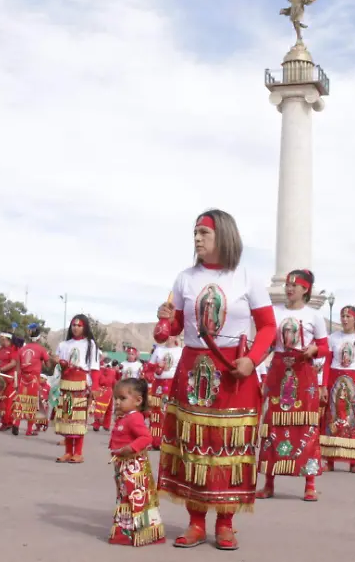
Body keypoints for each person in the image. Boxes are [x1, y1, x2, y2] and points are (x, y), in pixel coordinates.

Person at [152, 209, 276, 551]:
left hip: (233, 374)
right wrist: (163, 323)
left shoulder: (247, 278)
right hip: (193, 372)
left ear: (223, 236)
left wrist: (252, 361)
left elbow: (267, 327)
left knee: (228, 447)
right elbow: (170, 330)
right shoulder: (184, 278)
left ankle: (225, 523)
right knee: (193, 445)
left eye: (203, 233)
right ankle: (194, 522)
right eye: (195, 233)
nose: (197, 239)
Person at [255, 269, 328, 501]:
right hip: (278, 370)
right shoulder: (274, 312)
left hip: (303, 372)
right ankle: (268, 482)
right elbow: (266, 343)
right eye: (287, 284)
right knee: (272, 426)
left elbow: (326, 348)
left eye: (294, 285)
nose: (289, 288)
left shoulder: (314, 316)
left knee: (305, 426)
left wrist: (314, 349)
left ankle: (310, 483)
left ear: (305, 289)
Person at [108, 378, 166, 547]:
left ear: (138, 401)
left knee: (134, 498)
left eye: (122, 398)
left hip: (134, 468)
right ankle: (127, 532)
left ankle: (137, 533)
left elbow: (146, 437)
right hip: (123, 465)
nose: (117, 402)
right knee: (125, 497)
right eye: (116, 398)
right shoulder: (125, 416)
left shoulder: (134, 418)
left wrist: (131, 448)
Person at [319, 306, 355, 473]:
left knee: (353, 418)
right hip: (335, 378)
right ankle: (330, 460)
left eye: (348, 316)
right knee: (332, 418)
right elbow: (327, 363)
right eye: (342, 316)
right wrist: (324, 386)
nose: (344, 319)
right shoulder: (333, 338)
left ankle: (353, 461)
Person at [54, 314, 101, 463]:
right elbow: (57, 367)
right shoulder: (63, 345)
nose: (76, 328)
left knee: (79, 418)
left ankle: (78, 453)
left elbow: (95, 368)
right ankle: (68, 452)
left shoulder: (90, 345)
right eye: (74, 325)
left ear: (85, 327)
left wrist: (95, 386)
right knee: (66, 417)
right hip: (66, 383)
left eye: (79, 325)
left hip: (81, 383)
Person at [15, 324, 51, 436]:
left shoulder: (22, 349)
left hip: (22, 379)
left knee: (20, 402)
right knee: (32, 404)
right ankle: (29, 430)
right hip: (34, 380)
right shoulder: (41, 349)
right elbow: (48, 365)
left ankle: (16, 424)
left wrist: (17, 381)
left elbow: (18, 367)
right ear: (39, 337)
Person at [147, 333, 182, 444]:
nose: (169, 337)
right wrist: (158, 365)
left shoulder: (180, 351)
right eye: (167, 334)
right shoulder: (158, 349)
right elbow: (149, 368)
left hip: (173, 383)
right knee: (156, 411)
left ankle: (169, 440)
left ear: (176, 336)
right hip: (158, 384)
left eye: (172, 334)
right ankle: (155, 440)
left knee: (169, 411)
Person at [0, 332, 20, 433]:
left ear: (7, 339)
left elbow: (13, 363)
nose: (0, 339)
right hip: (1, 379)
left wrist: (1, 369)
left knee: (8, 401)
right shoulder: (0, 349)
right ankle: (4, 421)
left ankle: (8, 422)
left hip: (10, 378)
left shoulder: (14, 349)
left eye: (2, 338)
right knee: (1, 401)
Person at [92, 360, 119, 432]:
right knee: (108, 410)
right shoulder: (113, 372)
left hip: (100, 391)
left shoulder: (99, 371)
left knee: (99, 408)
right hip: (109, 392)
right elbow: (114, 382)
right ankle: (106, 425)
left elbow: (97, 381)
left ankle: (96, 425)